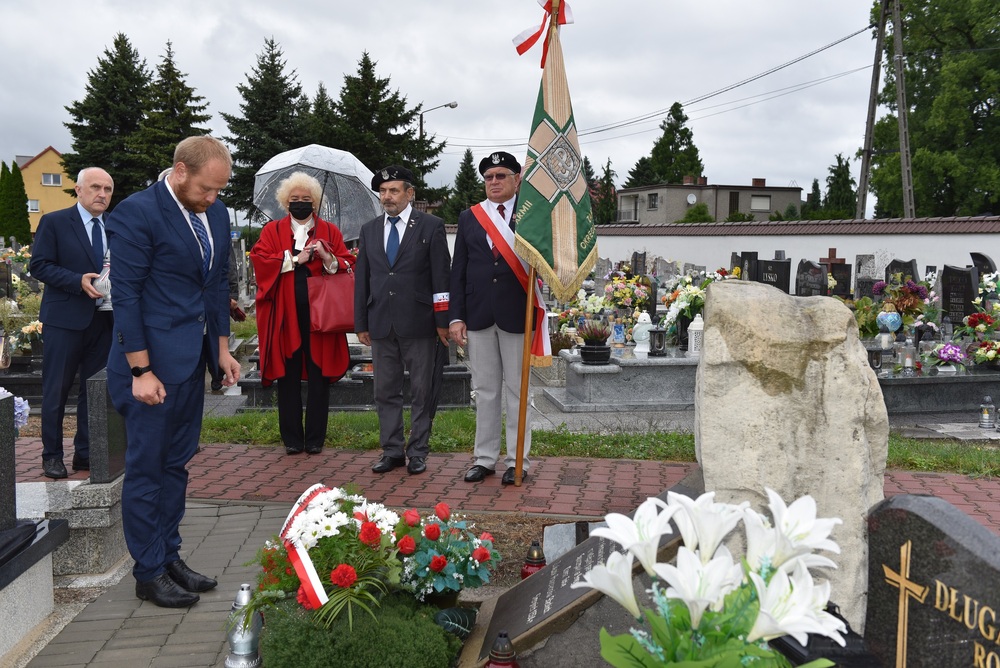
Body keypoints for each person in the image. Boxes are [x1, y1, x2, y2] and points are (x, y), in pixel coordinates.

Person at [105, 136, 240, 608]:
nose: (213, 199)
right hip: (149, 370)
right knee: (146, 472)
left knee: (176, 466)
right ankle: (147, 572)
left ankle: (169, 555)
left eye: (219, 190)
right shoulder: (136, 213)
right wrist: (140, 369)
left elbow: (216, 284)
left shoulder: (217, 215)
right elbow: (127, 296)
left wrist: (221, 351)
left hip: (192, 363)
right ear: (180, 171)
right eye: (207, 188)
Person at [354, 165, 451, 476]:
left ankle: (418, 451)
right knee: (385, 391)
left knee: (422, 391)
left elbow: (441, 277)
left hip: (420, 323)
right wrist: (361, 322)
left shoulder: (431, 226)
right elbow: (362, 280)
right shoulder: (369, 229)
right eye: (383, 191)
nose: (387, 196)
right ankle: (392, 451)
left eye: (394, 190)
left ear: (410, 193)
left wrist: (442, 320)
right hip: (381, 322)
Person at [449, 151, 537, 486]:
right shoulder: (470, 217)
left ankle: (517, 461)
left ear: (516, 180)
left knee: (518, 391)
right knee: (485, 390)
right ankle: (484, 459)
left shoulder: (532, 216)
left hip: (517, 312)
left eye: (501, 176)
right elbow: (459, 271)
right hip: (479, 314)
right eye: (489, 177)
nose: (494, 182)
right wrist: (456, 317)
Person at [250, 172, 354, 454]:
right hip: (285, 317)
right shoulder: (272, 231)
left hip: (321, 318)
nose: (300, 203)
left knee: (319, 377)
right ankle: (293, 440)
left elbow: (346, 263)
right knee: (289, 376)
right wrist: (296, 259)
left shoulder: (330, 231)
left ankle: (316, 439)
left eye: (306, 199)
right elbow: (260, 262)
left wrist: (327, 256)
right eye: (294, 199)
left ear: (315, 203)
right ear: (286, 202)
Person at [29, 167, 115, 479]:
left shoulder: (114, 226)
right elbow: (38, 265)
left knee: (93, 392)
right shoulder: (54, 222)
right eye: (95, 187)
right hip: (64, 321)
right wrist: (76, 280)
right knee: (57, 390)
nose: (102, 194)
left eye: (107, 189)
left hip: (103, 320)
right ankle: (51, 455)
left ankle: (86, 453)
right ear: (78, 190)